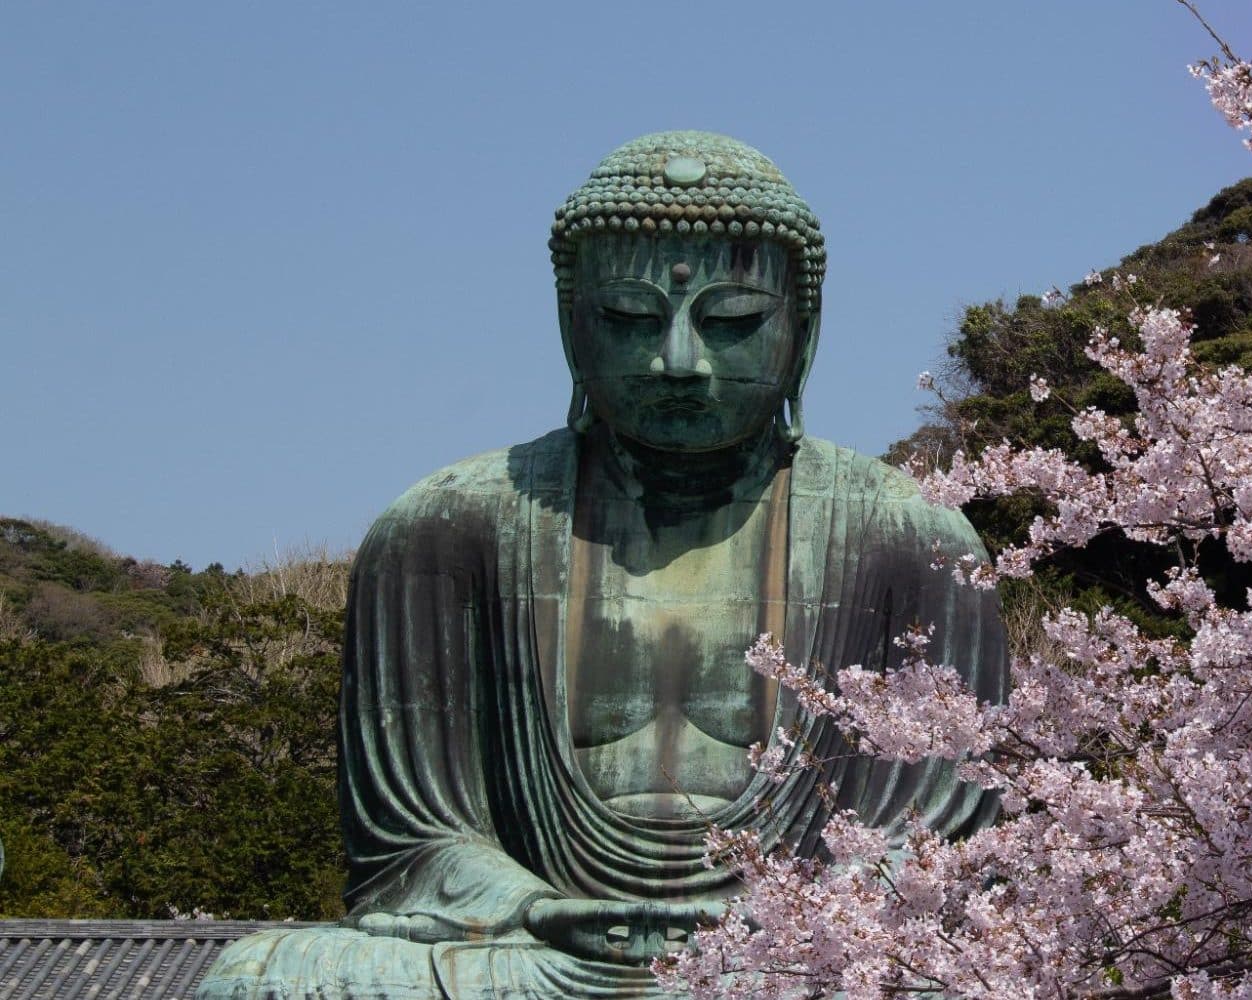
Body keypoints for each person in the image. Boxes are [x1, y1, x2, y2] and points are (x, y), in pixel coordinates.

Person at [196, 131, 1004, 999]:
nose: (679, 362)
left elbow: (935, 850)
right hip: (541, 953)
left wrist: (785, 930)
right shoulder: (443, 528)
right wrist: (535, 908)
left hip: (800, 962)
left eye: (732, 323)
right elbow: (411, 845)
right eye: (627, 318)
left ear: (801, 331)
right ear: (570, 325)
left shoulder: (910, 539)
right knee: (258, 979)